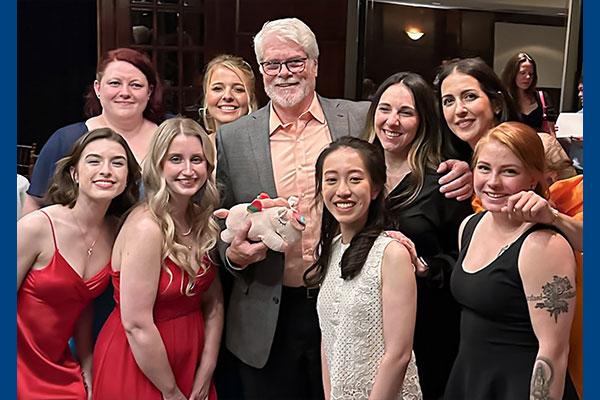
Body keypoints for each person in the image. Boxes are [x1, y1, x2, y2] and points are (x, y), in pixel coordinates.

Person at [216, 18, 473, 399]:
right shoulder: (233, 137)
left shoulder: (359, 117)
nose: (284, 73)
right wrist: (233, 254)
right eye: (272, 64)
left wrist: (463, 164)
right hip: (268, 317)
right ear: (260, 71)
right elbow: (217, 220)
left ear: (316, 65)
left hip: (350, 308)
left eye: (295, 62)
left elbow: (418, 135)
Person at [92, 117, 223, 400]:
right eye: (176, 159)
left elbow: (214, 302)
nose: (188, 170)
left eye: (197, 159)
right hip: (142, 364)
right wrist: (171, 391)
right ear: (159, 165)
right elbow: (136, 323)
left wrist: (206, 369)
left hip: (192, 359)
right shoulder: (146, 227)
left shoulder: (200, 222)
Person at [445, 121, 576, 399]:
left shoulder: (544, 245)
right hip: (470, 379)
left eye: (509, 171)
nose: (492, 182)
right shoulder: (469, 226)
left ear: (533, 178)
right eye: (484, 168)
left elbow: (553, 350)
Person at [363, 72, 472, 399]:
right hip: (363, 327)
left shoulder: (445, 181)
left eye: (406, 112)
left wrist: (426, 268)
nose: (392, 121)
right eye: (385, 109)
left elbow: (465, 259)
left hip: (425, 330)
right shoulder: (356, 172)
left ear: (423, 120)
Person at [17, 128, 140, 400]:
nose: (106, 170)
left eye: (117, 163)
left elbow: (82, 306)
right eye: (94, 161)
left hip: (62, 366)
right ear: (74, 173)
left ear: (128, 176)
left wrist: (88, 367)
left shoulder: (118, 232)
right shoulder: (37, 227)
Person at [305, 136, 422, 399]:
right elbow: (329, 339)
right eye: (331, 180)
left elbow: (399, 354)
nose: (342, 190)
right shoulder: (332, 249)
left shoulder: (391, 253)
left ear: (376, 188)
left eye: (355, 179)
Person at [435, 57, 580, 250]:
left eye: (470, 96)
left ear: (496, 104)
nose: (459, 110)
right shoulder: (452, 165)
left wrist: (552, 217)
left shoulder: (540, 146)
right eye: (448, 101)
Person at [22, 47, 164, 215]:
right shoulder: (66, 140)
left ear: (149, 92)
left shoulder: (169, 137)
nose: (125, 93)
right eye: (115, 83)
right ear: (97, 88)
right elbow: (34, 204)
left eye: (136, 85)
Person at [200, 54, 258, 136]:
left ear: (251, 98)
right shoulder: (197, 147)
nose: (227, 96)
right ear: (206, 95)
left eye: (238, 89)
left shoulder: (265, 147)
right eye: (217, 88)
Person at [501, 52, 556, 133]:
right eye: (523, 73)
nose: (528, 77)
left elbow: (551, 132)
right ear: (512, 74)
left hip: (537, 143)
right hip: (511, 144)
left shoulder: (542, 97)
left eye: (531, 74)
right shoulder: (503, 99)